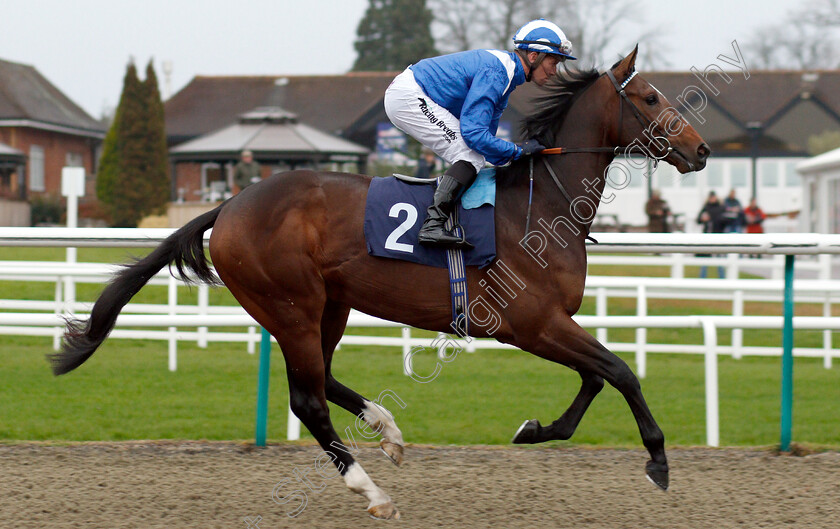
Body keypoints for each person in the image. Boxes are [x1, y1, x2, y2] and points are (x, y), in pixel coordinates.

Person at [384, 19, 576, 249]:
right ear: (534, 56)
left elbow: (485, 144)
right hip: (409, 97)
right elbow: (473, 134)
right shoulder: (497, 72)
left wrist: (519, 154)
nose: (555, 71)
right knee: (469, 156)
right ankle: (432, 225)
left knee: (474, 156)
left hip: (411, 94)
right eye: (553, 62)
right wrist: (517, 150)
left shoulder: (506, 77)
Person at [697, 191, 726, 278]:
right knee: (705, 259)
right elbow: (698, 220)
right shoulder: (706, 207)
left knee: (719, 258)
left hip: (718, 236)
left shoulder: (720, 207)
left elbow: (724, 220)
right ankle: (702, 278)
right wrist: (703, 219)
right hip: (707, 236)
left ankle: (722, 278)